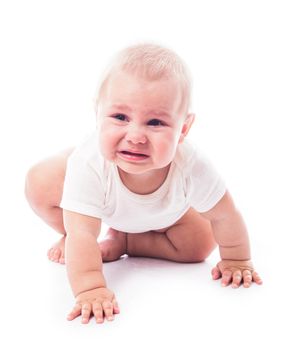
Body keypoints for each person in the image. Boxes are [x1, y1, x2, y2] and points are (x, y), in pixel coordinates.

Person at [25, 43, 262, 324]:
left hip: (165, 216)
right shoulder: (88, 164)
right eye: (120, 117)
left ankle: (126, 239)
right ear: (97, 115)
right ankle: (76, 235)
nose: (135, 135)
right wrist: (91, 289)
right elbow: (84, 234)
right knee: (40, 184)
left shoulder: (191, 164)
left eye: (155, 122)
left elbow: (225, 214)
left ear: (183, 129)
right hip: (98, 205)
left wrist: (236, 258)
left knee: (201, 243)